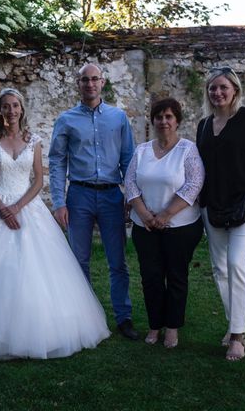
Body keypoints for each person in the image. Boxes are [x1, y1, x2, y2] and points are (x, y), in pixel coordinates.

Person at [0, 89, 110, 360]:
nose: (11, 111)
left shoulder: (33, 140)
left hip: (27, 208)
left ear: (22, 109)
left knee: (39, 271)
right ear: (0, 110)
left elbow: (38, 180)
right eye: (6, 106)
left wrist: (18, 208)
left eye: (15, 106)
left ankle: (43, 330)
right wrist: (3, 209)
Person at [49, 63, 139, 340]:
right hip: (79, 195)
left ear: (103, 83)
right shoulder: (66, 119)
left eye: (94, 79)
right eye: (84, 80)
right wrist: (58, 202)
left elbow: (129, 159)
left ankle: (123, 317)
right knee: (79, 260)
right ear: (78, 84)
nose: (90, 84)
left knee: (118, 261)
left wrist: (132, 197)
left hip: (112, 195)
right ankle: (83, 317)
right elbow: (56, 161)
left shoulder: (118, 118)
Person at [196, 66, 245, 361]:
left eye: (223, 87)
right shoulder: (204, 125)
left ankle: (238, 337)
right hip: (211, 206)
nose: (217, 93)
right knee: (219, 269)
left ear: (235, 90)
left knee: (236, 264)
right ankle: (234, 325)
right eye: (213, 88)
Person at [124, 98, 204, 348]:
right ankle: (155, 324)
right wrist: (146, 215)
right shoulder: (142, 150)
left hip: (180, 227)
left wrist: (166, 215)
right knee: (151, 277)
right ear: (153, 121)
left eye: (169, 116)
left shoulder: (187, 150)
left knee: (176, 277)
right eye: (159, 117)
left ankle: (172, 327)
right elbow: (130, 183)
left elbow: (194, 184)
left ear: (177, 120)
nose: (164, 121)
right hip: (144, 226)